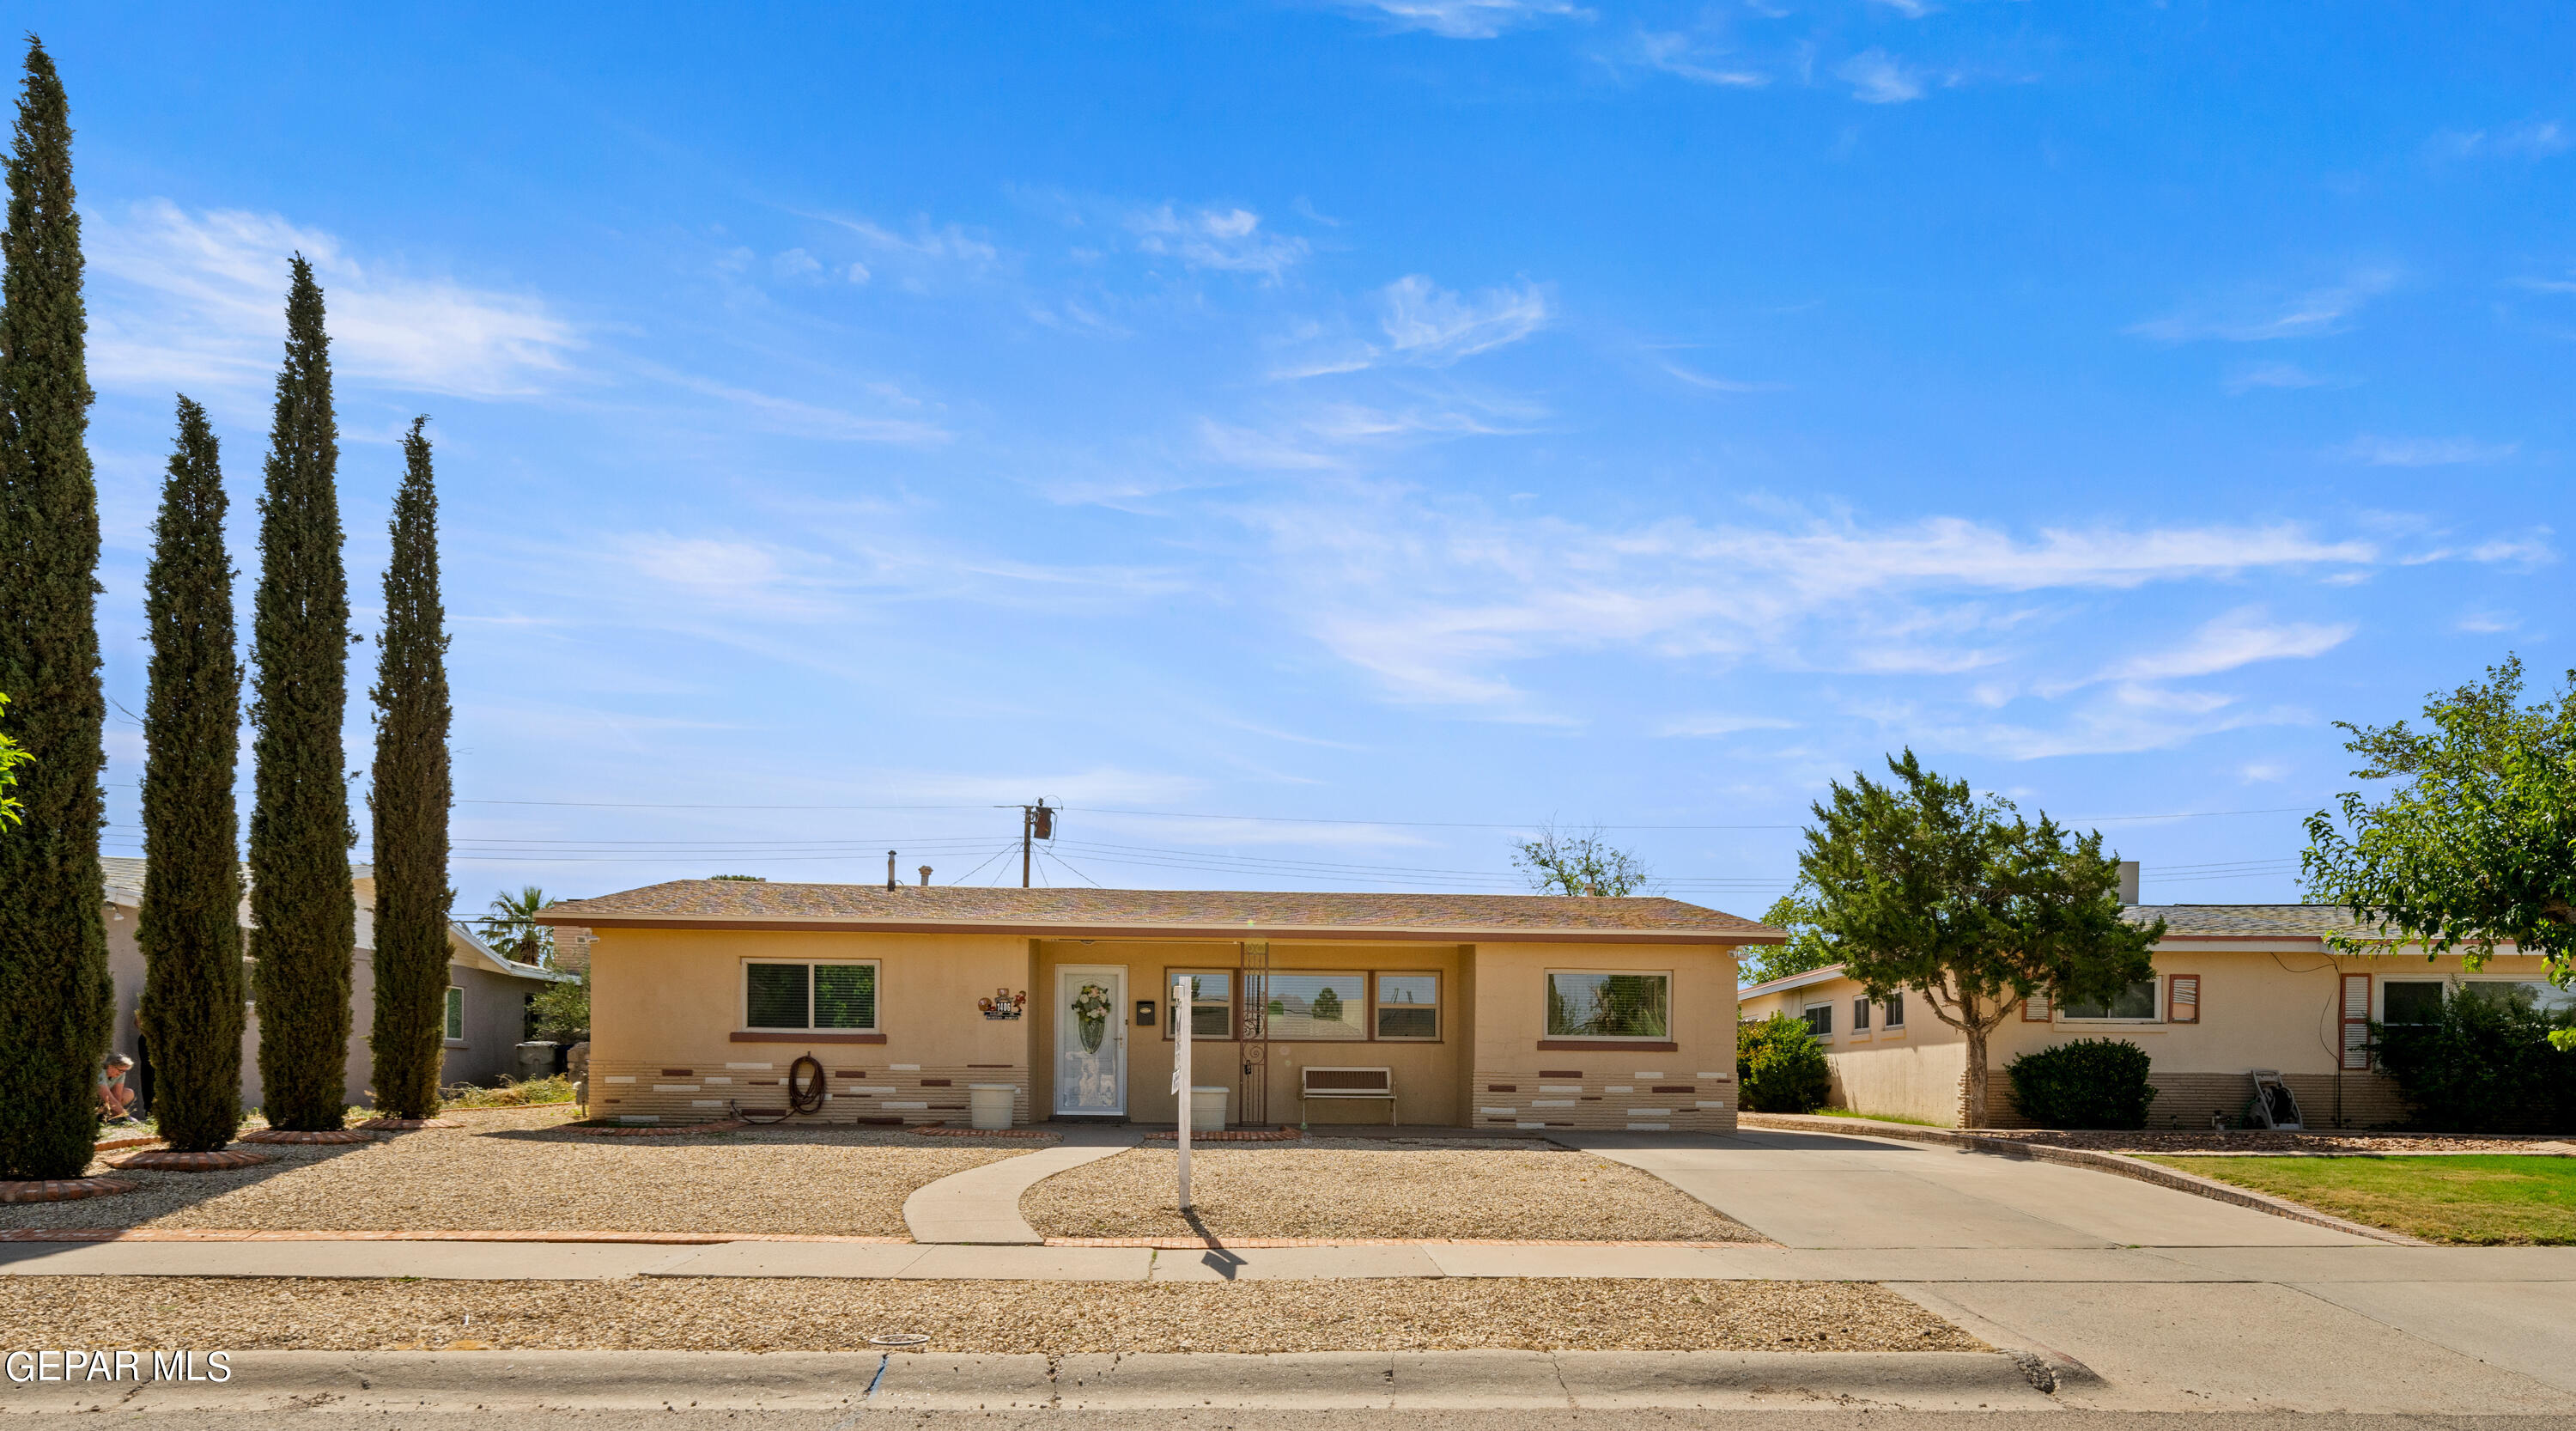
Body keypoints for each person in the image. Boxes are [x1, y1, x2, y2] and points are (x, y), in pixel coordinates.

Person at [99, 1054, 138, 1124]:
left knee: (129, 1093)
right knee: (110, 1097)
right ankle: (98, 1116)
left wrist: (117, 1115)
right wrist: (126, 1116)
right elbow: (107, 1096)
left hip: (104, 1102)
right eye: (121, 1070)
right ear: (110, 1066)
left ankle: (109, 1117)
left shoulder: (121, 1074)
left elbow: (117, 1095)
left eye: (124, 1071)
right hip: (94, 1100)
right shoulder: (101, 1072)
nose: (122, 1073)